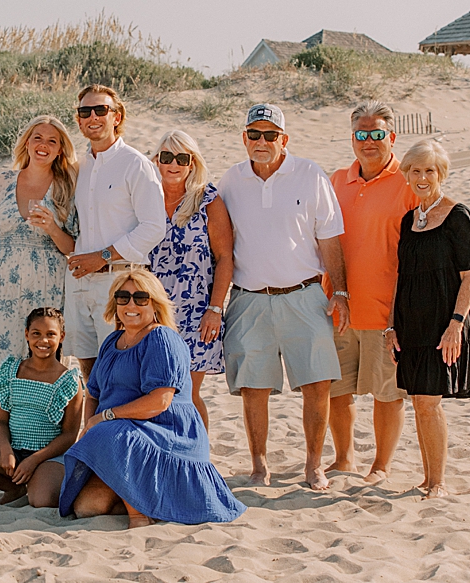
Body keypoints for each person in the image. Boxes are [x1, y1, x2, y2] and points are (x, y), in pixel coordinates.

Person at [218, 103, 350, 489]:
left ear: (284, 140)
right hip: (248, 298)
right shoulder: (231, 180)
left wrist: (339, 291)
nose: (262, 142)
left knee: (317, 382)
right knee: (254, 387)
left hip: (305, 295)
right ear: (244, 138)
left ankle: (313, 465)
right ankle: (259, 467)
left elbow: (330, 239)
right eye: (254, 134)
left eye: (270, 135)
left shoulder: (309, 174)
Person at [56, 269, 246, 526]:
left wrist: (106, 417)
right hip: (119, 439)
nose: (131, 304)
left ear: (155, 303)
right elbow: (94, 394)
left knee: (107, 433)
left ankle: (139, 515)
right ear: (115, 303)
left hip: (164, 433)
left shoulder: (162, 339)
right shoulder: (112, 341)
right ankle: (153, 502)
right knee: (87, 508)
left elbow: (160, 401)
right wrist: (90, 425)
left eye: (140, 298)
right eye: (123, 297)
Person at [385, 140, 470, 498]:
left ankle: (438, 482)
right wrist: (391, 325)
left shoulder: (458, 216)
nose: (422, 177)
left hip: (444, 325)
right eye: (415, 170)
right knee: (418, 401)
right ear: (407, 175)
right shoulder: (408, 219)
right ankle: (428, 479)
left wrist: (456, 326)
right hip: (410, 326)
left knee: (429, 402)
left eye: (429, 170)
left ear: (440, 173)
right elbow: (402, 276)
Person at [0, 115, 78, 438]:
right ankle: (0, 446)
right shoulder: (2, 181)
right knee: (3, 364)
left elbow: (72, 245)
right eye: (37, 138)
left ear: (60, 150)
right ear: (26, 143)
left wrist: (51, 228)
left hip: (46, 284)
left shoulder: (66, 188)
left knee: (42, 362)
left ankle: (42, 446)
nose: (43, 146)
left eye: (52, 141)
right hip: (2, 288)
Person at [326, 102, 416, 481]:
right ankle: (344, 458)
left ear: (391, 138)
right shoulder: (335, 181)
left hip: (388, 310)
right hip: (339, 307)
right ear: (352, 140)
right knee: (336, 389)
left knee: (387, 392)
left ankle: (381, 465)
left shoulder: (408, 182)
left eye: (376, 134)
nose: (369, 142)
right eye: (361, 135)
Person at [62, 85, 167, 410]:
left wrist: (103, 256)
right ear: (78, 121)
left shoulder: (135, 164)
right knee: (89, 372)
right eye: (85, 112)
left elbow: (154, 228)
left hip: (120, 284)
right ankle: (92, 447)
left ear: (116, 116)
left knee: (123, 372)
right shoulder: (81, 168)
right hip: (79, 283)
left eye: (100, 110)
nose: (92, 117)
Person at [0, 307, 83, 505]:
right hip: (12, 451)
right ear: (26, 335)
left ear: (61, 337)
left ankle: (40, 483)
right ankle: (15, 488)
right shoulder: (11, 371)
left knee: (42, 500)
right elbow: (0, 421)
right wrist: (6, 450)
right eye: (36, 334)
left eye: (50, 335)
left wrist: (34, 460)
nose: (43, 341)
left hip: (48, 456)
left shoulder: (69, 381)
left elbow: (69, 435)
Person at [145, 130, 232, 430]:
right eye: (166, 157)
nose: (173, 165)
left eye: (182, 158)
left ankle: (199, 460)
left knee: (187, 393)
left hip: (197, 314)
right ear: (156, 160)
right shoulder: (144, 197)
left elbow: (224, 259)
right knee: (155, 392)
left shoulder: (207, 199)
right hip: (149, 313)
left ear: (192, 162)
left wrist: (215, 309)